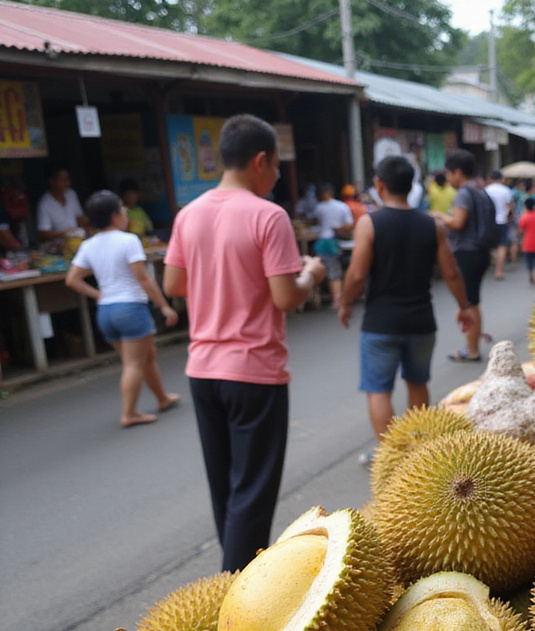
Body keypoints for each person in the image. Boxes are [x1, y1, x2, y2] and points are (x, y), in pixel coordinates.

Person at [162, 114, 327, 572]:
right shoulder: (268, 216)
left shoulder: (188, 214)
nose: (276, 176)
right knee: (251, 493)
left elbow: (174, 282)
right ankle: (234, 599)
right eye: (276, 166)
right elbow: (284, 297)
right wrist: (311, 274)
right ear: (260, 161)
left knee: (228, 491)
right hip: (254, 371)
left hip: (203, 370)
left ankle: (236, 576)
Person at [338, 155, 473, 457]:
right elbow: (451, 272)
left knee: (378, 389)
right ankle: (418, 453)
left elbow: (357, 274)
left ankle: (389, 455)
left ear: (379, 185)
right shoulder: (431, 225)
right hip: (421, 321)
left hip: (381, 323)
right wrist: (463, 306)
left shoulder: (368, 224)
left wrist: (345, 303)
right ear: (411, 185)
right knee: (418, 385)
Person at [65, 190, 180, 428]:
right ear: (115, 215)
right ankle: (129, 413)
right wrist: (164, 306)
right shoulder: (128, 241)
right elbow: (144, 278)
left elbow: (72, 279)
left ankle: (162, 398)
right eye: (122, 209)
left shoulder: (89, 245)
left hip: (106, 312)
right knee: (134, 364)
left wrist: (98, 294)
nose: (126, 214)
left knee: (146, 357)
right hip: (130, 308)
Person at [431, 148, 493, 363]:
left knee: (469, 303)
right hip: (480, 251)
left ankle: (472, 349)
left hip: (467, 252)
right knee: (471, 301)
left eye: (448, 174)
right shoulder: (481, 189)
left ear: (457, 172)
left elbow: (457, 222)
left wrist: (439, 215)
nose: (448, 179)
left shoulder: (465, 193)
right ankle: (472, 344)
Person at [312, 182, 355, 309]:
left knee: (332, 271)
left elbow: (316, 222)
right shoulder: (342, 206)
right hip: (341, 242)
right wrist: (340, 229)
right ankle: (341, 297)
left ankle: (337, 299)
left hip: (325, 242)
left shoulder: (319, 208)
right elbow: (350, 225)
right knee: (338, 269)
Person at [36, 165, 89, 241]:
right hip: (58, 244)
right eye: (63, 180)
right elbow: (44, 232)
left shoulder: (71, 194)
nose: (68, 183)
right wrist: (63, 234)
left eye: (68, 179)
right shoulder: (45, 204)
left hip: (77, 240)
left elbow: (79, 217)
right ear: (52, 181)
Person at [485, 170, 514, 280]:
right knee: (502, 246)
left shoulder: (486, 190)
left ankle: (492, 263)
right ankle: (498, 271)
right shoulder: (506, 191)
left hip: (489, 222)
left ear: (490, 178)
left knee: (490, 245)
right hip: (502, 221)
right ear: (501, 179)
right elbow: (510, 206)